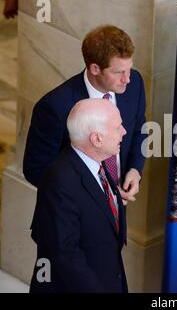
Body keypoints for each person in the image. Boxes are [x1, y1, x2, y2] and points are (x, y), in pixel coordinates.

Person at [23, 25, 146, 203]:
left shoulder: (134, 84)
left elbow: (139, 129)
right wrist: (93, 195)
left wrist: (135, 169)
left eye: (128, 69)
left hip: (119, 205)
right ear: (95, 68)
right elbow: (36, 169)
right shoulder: (54, 107)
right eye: (118, 72)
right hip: (76, 212)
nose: (127, 78)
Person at [30, 99, 128, 293]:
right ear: (96, 139)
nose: (124, 132)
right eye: (118, 127)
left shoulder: (95, 161)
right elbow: (65, 255)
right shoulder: (59, 182)